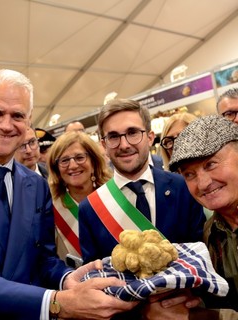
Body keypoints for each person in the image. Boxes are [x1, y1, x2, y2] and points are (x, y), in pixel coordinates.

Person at [0, 69, 138, 319]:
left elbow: (42, 258)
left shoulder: (35, 184)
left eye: (18, 115)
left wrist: (67, 279)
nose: (6, 125)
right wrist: (57, 302)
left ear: (28, 120)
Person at [79, 98, 206, 264]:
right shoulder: (91, 209)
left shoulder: (182, 187)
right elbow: (95, 274)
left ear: (150, 137)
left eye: (132, 133)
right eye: (114, 136)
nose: (124, 145)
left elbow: (201, 254)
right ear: (104, 145)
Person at [168, 115, 238, 318]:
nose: (203, 183)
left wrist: (205, 316)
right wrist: (198, 303)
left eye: (210, 164)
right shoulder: (211, 230)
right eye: (189, 174)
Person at [47, 131, 112, 265]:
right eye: (64, 160)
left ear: (93, 161)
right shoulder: (50, 209)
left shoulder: (113, 197)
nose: (73, 165)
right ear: (57, 170)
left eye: (80, 157)